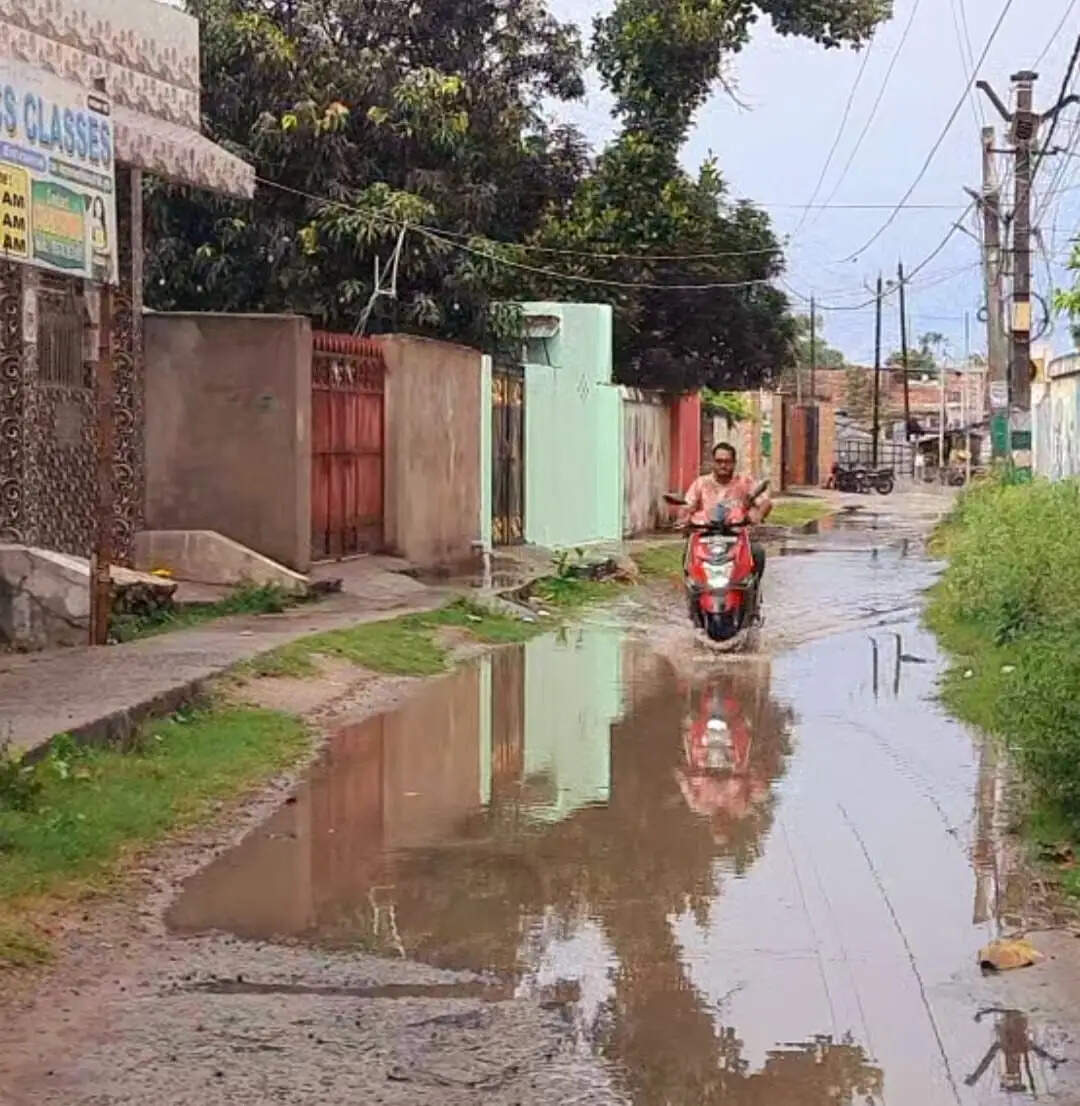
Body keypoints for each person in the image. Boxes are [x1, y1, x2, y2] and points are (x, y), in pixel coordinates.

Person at [682, 442, 771, 585]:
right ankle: (694, 590)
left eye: (727, 462)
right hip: (706, 538)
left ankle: (752, 590)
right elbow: (687, 505)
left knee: (757, 552)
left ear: (734, 463)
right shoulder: (701, 483)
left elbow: (765, 502)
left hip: (737, 538)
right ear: (713, 463)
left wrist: (758, 515)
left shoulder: (744, 482)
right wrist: (684, 518)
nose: (723, 465)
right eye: (719, 461)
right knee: (689, 554)